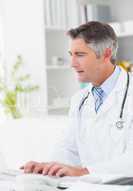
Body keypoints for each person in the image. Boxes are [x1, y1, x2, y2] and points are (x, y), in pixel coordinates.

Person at [22, 21, 133, 177]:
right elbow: (68, 148)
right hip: (91, 189)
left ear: (106, 54)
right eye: (71, 55)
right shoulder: (79, 100)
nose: (72, 64)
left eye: (80, 55)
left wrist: (84, 172)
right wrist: (48, 168)